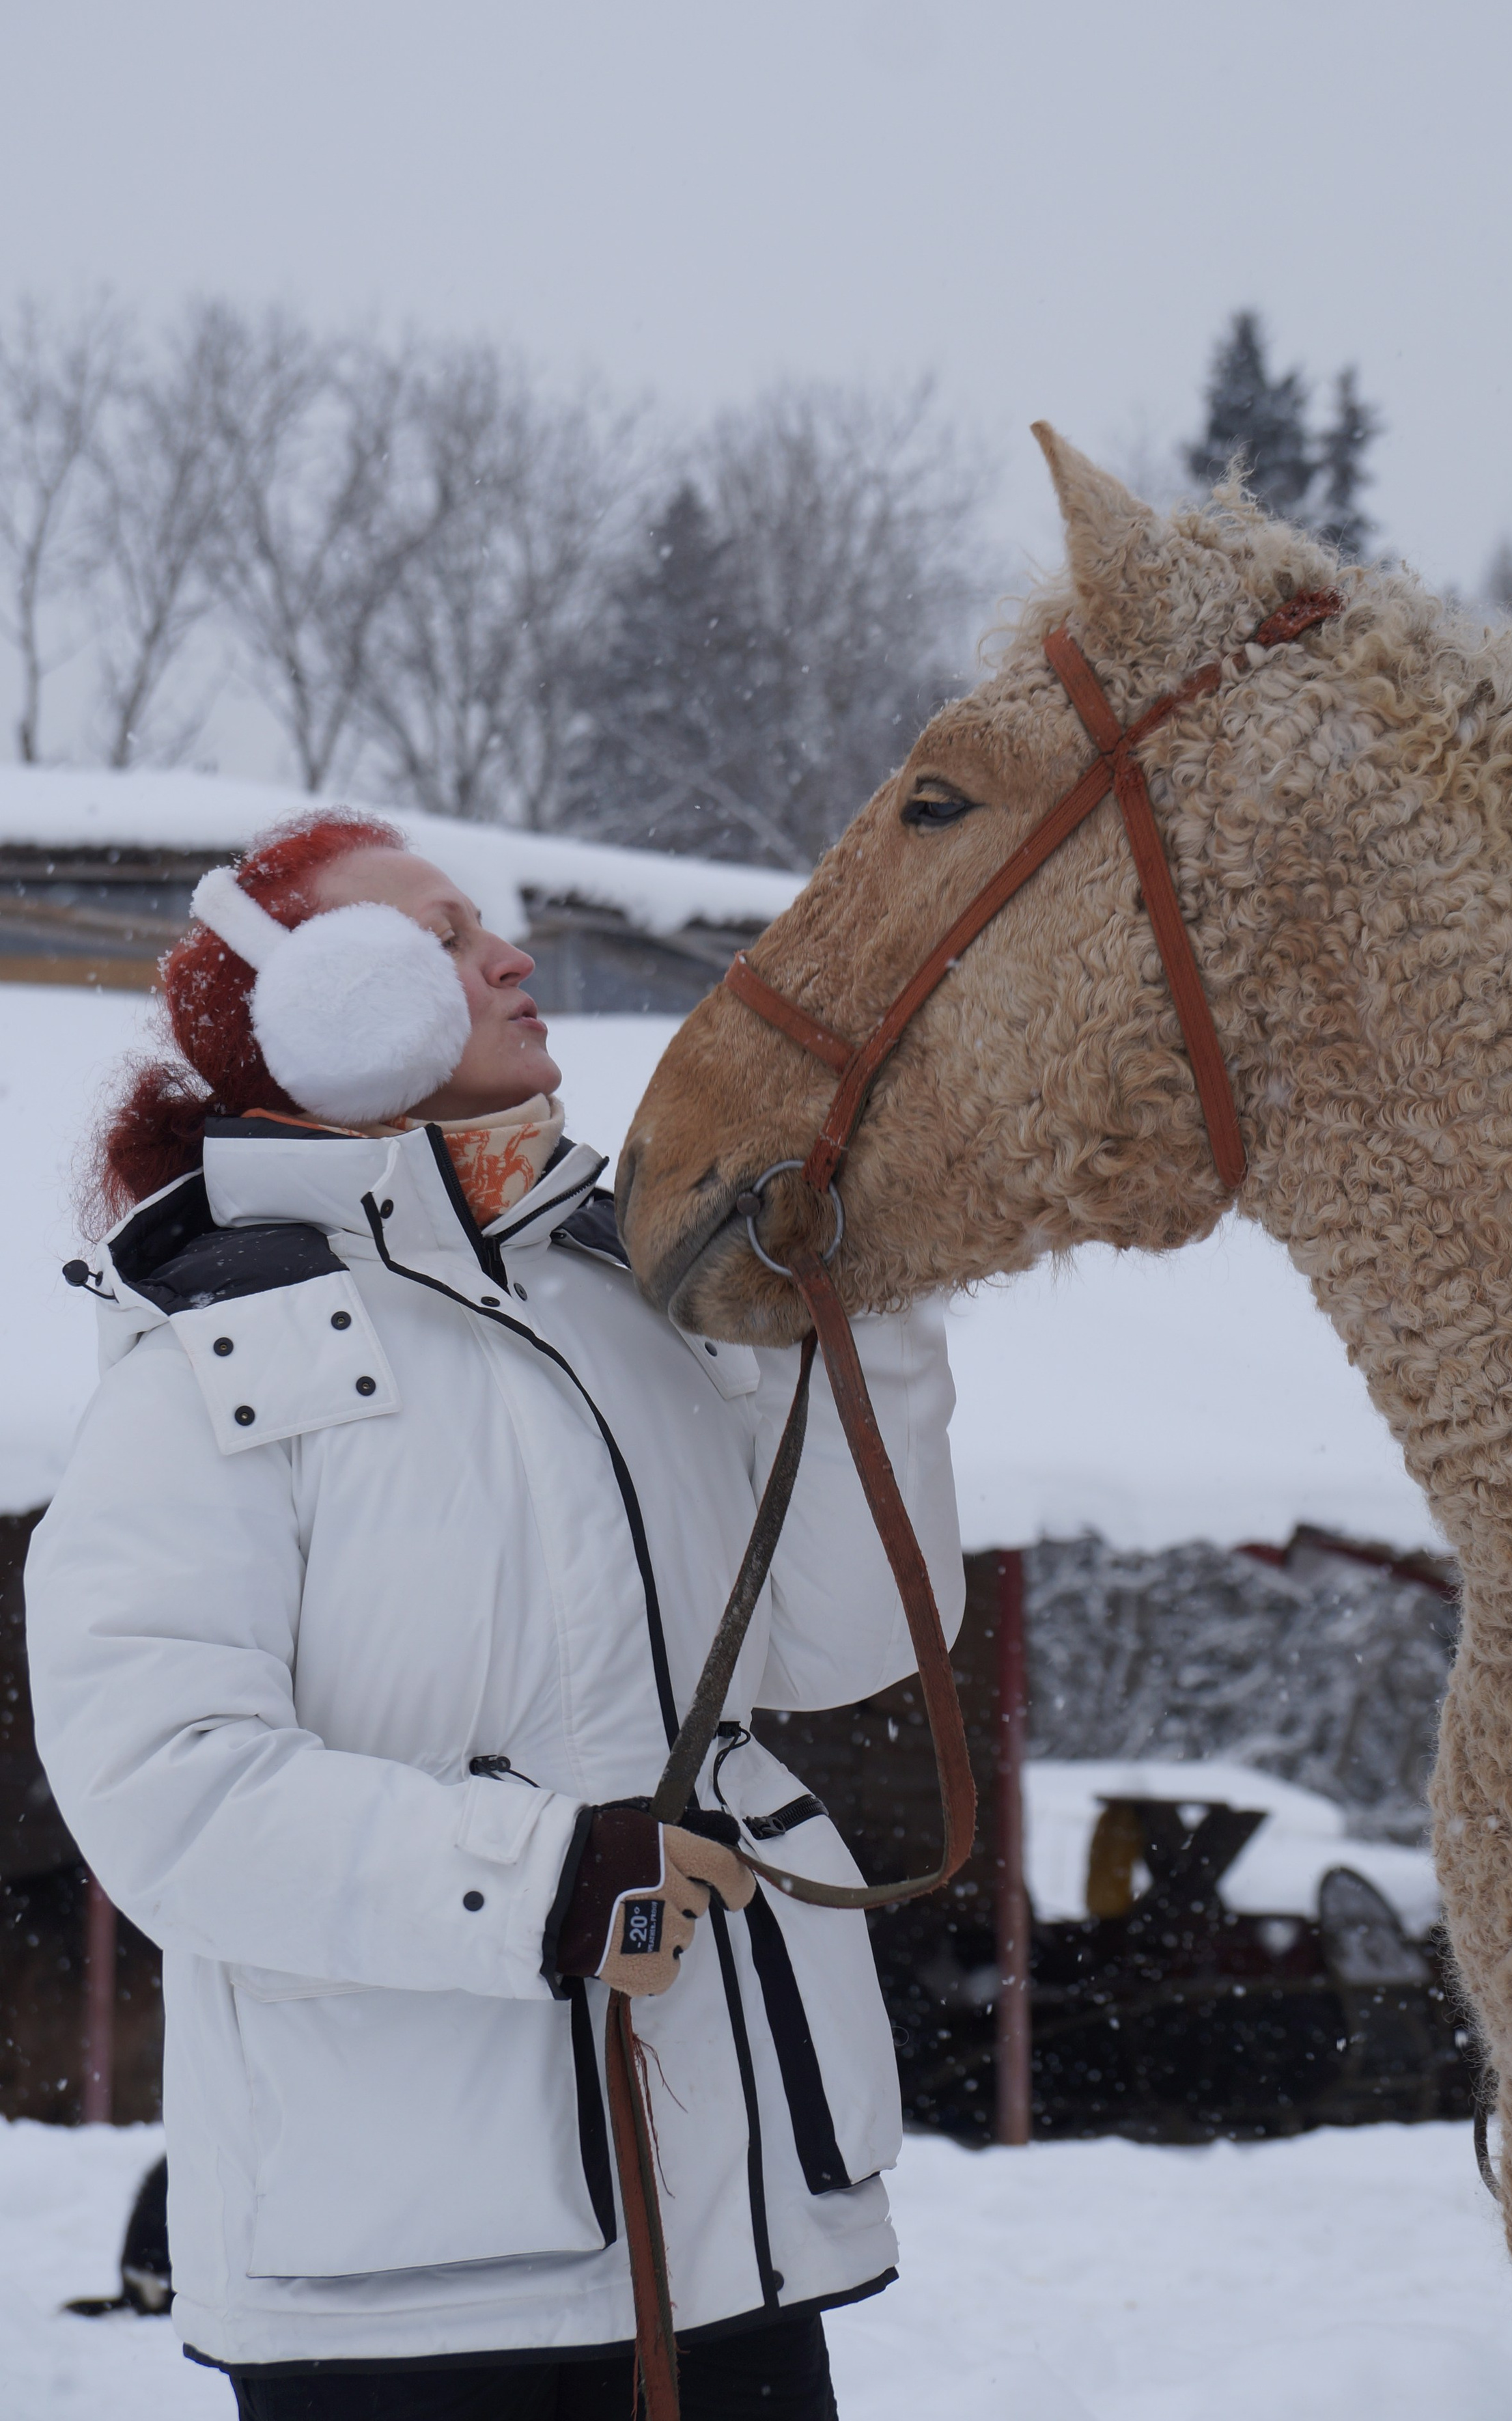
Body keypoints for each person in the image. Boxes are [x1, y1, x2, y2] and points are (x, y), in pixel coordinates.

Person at [26, 808, 964, 2419]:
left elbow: (844, 1635)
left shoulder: (637, 1296)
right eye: (442, 937)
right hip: (413, 2290)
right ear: (318, 1000)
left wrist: (856, 1305)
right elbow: (163, 1783)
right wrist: (540, 1879)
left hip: (736, 2239)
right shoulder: (215, 1359)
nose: (511, 957)